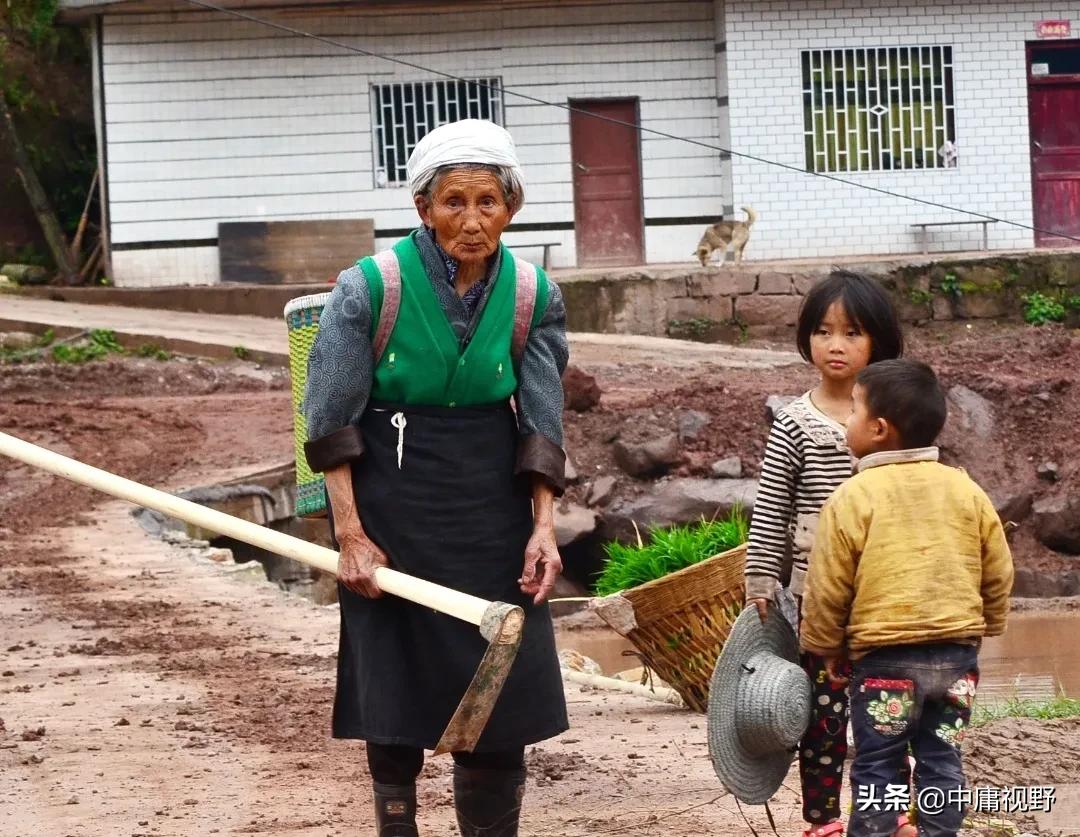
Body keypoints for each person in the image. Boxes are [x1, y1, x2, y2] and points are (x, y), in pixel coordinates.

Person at [302, 118, 570, 837]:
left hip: (492, 509)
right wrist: (351, 535)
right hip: (389, 506)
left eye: (489, 202)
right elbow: (329, 424)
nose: (473, 220)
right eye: (454, 201)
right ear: (422, 208)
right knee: (394, 681)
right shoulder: (367, 289)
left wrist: (543, 527)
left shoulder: (532, 295)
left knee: (502, 677)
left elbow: (541, 422)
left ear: (511, 207)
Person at [801, 359, 1014, 837]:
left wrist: (826, 646)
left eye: (853, 410)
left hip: (886, 664)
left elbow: (828, 585)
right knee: (942, 756)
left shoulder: (852, 497)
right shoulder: (966, 490)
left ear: (877, 429)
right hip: (958, 658)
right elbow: (998, 568)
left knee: (878, 762)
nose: (847, 421)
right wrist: (989, 623)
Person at [742, 270, 905, 837]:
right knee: (825, 713)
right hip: (820, 599)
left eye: (853, 333)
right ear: (806, 338)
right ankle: (823, 820)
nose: (835, 345)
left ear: (878, 341)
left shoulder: (895, 418)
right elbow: (771, 511)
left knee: (891, 709)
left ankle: (893, 811)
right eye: (823, 331)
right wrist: (762, 580)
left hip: (888, 595)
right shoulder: (794, 422)